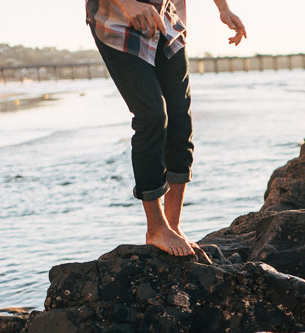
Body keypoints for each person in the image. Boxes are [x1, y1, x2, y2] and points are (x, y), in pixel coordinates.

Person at [87, 0, 247, 256]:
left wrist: (223, 9)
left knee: (180, 120)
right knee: (152, 115)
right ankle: (156, 228)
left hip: (168, 21)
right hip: (117, 20)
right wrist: (127, 4)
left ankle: (173, 225)